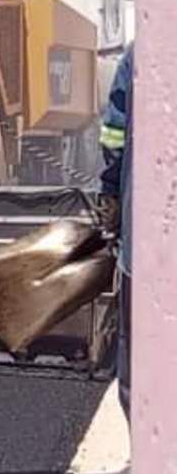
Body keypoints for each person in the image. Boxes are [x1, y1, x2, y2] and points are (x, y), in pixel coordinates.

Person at [100, 44, 133, 420]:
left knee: (139, 361)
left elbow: (114, 135)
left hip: (144, 249)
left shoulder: (141, 54)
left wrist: (109, 192)